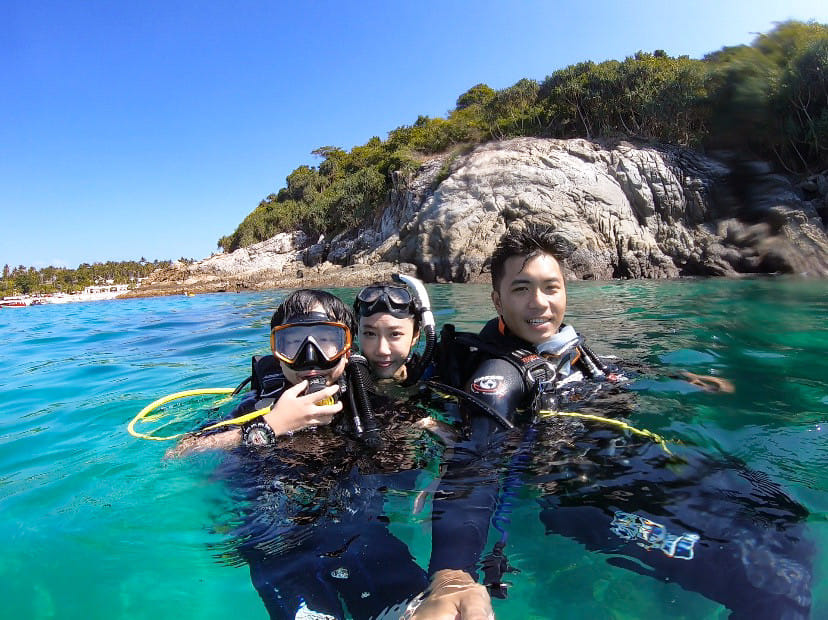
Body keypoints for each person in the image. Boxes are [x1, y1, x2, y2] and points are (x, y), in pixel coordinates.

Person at [410, 225, 812, 619]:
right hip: (585, 495)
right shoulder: (498, 377)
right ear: (497, 301)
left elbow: (603, 371)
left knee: (787, 522)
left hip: (641, 463)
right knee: (770, 589)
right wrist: (451, 574)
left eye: (551, 287)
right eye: (521, 289)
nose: (540, 303)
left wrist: (674, 376)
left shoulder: (562, 347)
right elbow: (474, 465)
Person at [169, 289, 430, 619]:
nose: (310, 356)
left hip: (362, 534)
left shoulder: (366, 405)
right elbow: (179, 453)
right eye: (293, 342)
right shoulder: (256, 410)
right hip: (277, 544)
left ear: (348, 348)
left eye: (327, 340)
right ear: (277, 352)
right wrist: (270, 426)